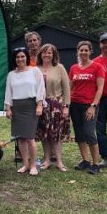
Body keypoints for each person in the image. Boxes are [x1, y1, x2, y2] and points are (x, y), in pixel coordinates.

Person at [5, 47, 45, 176]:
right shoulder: (11, 74)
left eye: (22, 56)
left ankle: (33, 165)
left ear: (27, 57)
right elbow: (8, 92)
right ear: (14, 59)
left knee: (30, 138)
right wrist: (8, 108)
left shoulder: (35, 71)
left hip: (31, 107)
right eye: (17, 57)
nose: (20, 59)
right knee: (20, 139)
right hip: (17, 107)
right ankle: (25, 164)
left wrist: (39, 105)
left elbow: (41, 89)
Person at [69, 41, 104, 174]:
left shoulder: (97, 67)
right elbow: (70, 87)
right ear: (77, 51)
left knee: (90, 133)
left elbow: (100, 89)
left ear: (90, 51)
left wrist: (93, 106)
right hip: (75, 105)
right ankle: (85, 161)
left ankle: (95, 164)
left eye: (86, 50)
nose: (83, 52)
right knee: (79, 134)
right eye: (81, 50)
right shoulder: (73, 68)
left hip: (89, 105)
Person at [35, 44, 70, 172]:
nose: (47, 55)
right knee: (45, 134)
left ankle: (59, 161)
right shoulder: (35, 69)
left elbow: (66, 89)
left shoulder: (59, 67)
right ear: (40, 54)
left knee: (56, 134)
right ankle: (47, 160)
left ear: (54, 55)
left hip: (57, 106)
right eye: (44, 52)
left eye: (50, 53)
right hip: (41, 105)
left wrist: (66, 106)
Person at [93, 33, 107, 167]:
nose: (106, 45)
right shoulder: (95, 62)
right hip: (101, 99)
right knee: (100, 128)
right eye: (104, 43)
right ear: (100, 45)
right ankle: (106, 157)